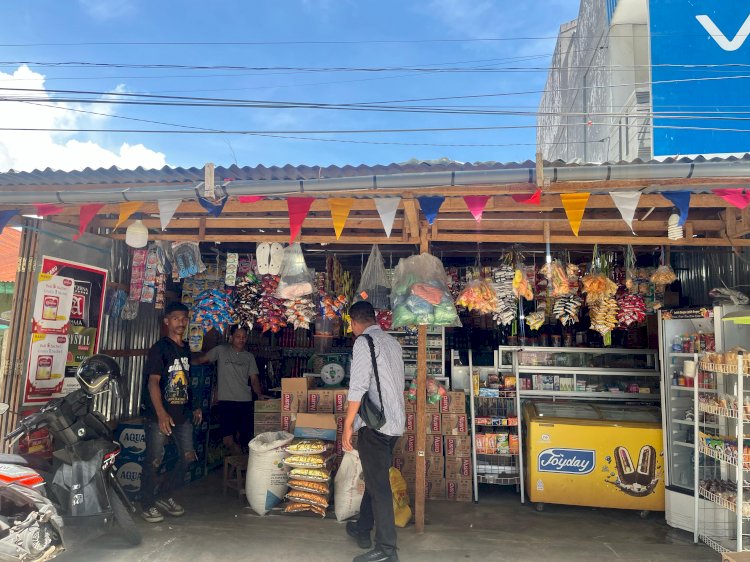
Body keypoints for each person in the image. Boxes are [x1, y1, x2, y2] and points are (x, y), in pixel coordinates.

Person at [342, 301, 405, 562]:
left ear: (355, 322)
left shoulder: (362, 343)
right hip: (395, 424)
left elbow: (357, 388)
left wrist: (347, 426)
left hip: (375, 427)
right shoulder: (392, 342)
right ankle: (362, 528)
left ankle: (387, 550)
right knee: (374, 477)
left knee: (379, 486)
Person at [140, 301, 202, 524]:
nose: (181, 322)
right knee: (154, 460)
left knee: (188, 458)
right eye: (176, 318)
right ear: (166, 321)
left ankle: (164, 495)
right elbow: (153, 383)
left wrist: (193, 405)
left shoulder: (185, 347)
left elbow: (186, 380)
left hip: (182, 414)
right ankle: (146, 503)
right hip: (160, 416)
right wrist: (161, 413)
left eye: (184, 318)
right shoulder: (160, 348)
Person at [195, 325, 269, 456]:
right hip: (226, 401)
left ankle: (240, 468)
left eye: (244, 337)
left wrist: (258, 395)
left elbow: (254, 379)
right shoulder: (220, 350)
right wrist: (183, 361)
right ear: (231, 338)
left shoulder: (249, 357)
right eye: (238, 337)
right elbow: (201, 360)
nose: (241, 340)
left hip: (244, 401)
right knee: (227, 439)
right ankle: (244, 466)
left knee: (244, 438)